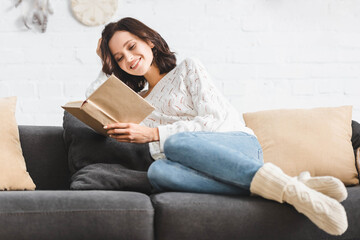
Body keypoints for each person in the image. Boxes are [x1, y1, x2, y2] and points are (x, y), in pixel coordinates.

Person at [86, 17, 348, 236]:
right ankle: (292, 186)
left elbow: (216, 119)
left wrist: (154, 134)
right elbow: (98, 103)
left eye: (132, 47)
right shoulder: (139, 103)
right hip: (199, 167)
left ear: (149, 41)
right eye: (119, 58)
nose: (129, 58)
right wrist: (103, 62)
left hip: (236, 147)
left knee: (174, 142)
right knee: (158, 172)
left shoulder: (188, 67)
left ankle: (292, 191)